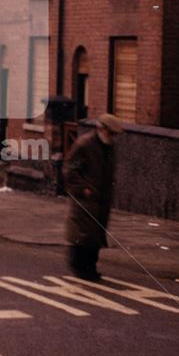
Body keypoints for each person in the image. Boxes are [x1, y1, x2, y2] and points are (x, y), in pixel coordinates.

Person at [63, 112, 124, 281]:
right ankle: (79, 267)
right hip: (86, 198)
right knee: (83, 234)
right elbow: (70, 170)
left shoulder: (109, 147)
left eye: (114, 134)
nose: (113, 137)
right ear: (101, 129)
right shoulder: (84, 145)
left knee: (97, 234)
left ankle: (90, 268)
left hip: (102, 198)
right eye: (110, 133)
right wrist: (83, 189)